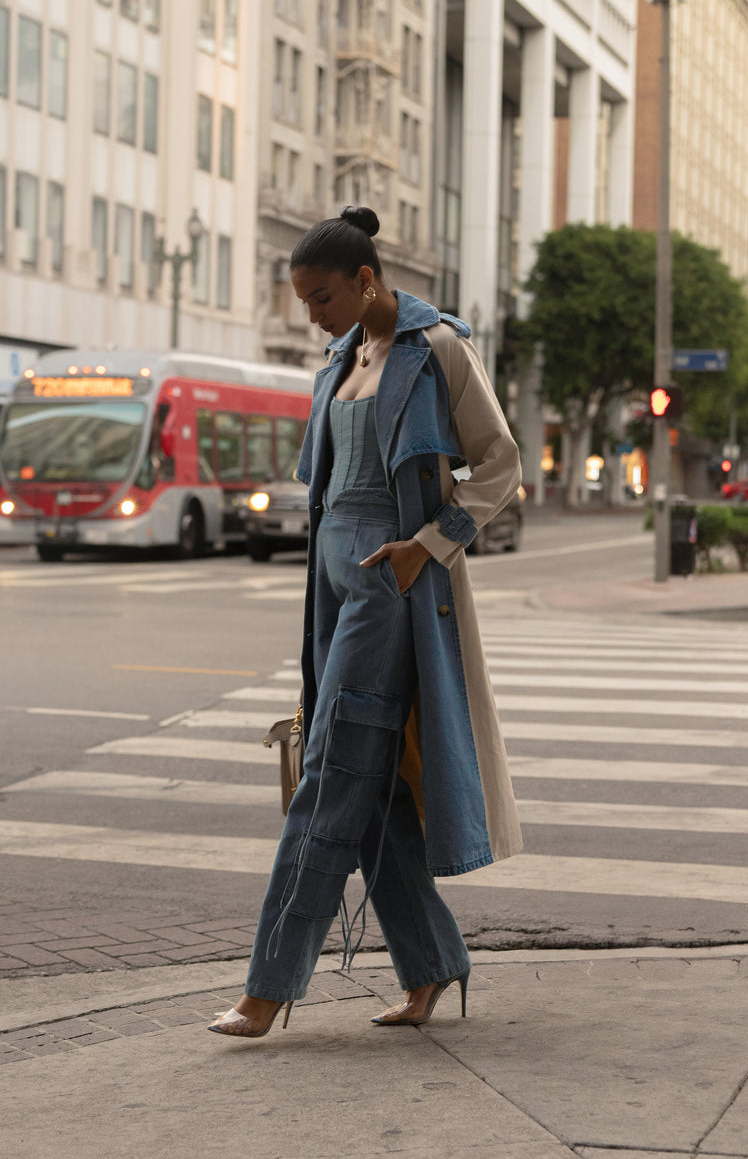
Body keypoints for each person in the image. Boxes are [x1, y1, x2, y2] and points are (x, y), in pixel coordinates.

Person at [208, 206, 523, 1040]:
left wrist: (429, 544)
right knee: (374, 789)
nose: (311, 315)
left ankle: (268, 984)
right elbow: (327, 486)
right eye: (303, 301)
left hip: (393, 587)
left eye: (320, 298)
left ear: (366, 280)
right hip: (329, 586)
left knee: (331, 768)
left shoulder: (439, 350)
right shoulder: (336, 361)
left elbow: (502, 463)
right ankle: (432, 965)